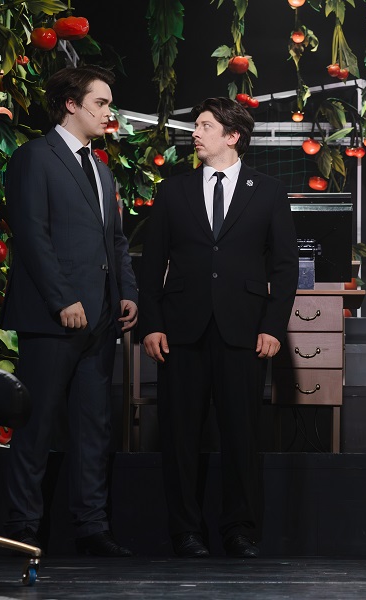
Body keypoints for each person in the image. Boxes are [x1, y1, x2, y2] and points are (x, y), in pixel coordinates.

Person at [138, 97, 298, 558]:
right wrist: (152, 323)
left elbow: (285, 267)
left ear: (232, 136)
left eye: (205, 125)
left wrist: (273, 326)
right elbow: (151, 265)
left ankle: (240, 530)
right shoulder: (173, 190)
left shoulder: (268, 190)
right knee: (179, 435)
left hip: (244, 330)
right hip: (180, 330)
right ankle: (185, 532)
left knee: (242, 435)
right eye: (196, 125)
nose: (195, 132)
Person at [0, 65, 138, 557]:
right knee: (36, 425)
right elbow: (31, 236)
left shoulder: (101, 168)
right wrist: (62, 299)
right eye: (101, 102)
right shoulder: (33, 157)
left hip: (101, 317)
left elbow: (115, 240)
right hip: (51, 317)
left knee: (93, 427)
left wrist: (127, 292)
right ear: (71, 105)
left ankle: (91, 526)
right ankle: (21, 527)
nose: (108, 112)